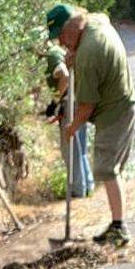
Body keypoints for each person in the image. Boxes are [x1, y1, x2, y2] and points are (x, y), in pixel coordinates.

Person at [45, 4, 135, 246]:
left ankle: (119, 229)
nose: (61, 44)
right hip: (121, 107)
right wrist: (73, 54)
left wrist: (71, 128)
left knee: (107, 170)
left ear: (72, 27)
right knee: (107, 170)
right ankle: (116, 226)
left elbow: (86, 106)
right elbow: (102, 17)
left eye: (62, 37)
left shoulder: (89, 54)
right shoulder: (95, 23)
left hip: (115, 114)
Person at [42, 40, 94, 198]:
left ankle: (78, 190)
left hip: (70, 105)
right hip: (79, 101)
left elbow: (64, 75)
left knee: (71, 151)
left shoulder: (52, 55)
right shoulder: (57, 52)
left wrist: (55, 102)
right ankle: (87, 186)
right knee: (80, 149)